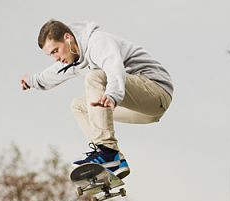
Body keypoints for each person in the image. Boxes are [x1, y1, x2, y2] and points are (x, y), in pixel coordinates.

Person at [21, 20, 174, 179]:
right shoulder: (74, 58)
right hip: (141, 110)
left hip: (156, 91)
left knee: (94, 77)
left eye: (56, 51)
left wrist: (112, 95)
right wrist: (32, 81)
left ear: (68, 38)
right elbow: (54, 73)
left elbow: (114, 68)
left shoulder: (97, 42)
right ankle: (109, 157)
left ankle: (108, 152)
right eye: (51, 55)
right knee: (79, 106)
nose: (56, 58)